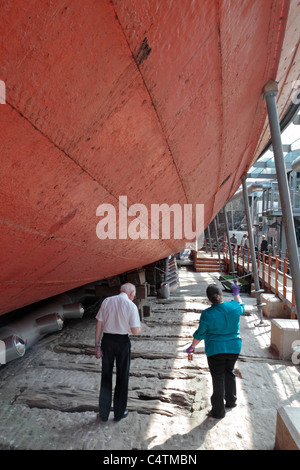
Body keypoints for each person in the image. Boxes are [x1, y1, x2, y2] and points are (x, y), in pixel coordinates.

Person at [186, 283, 245, 419]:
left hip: (215, 350)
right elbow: (241, 306)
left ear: (208, 298)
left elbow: (200, 334)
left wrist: (192, 346)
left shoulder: (207, 314)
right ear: (222, 294)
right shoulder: (233, 307)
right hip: (234, 347)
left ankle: (218, 412)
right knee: (229, 372)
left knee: (218, 377)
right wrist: (236, 293)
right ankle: (231, 401)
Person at [95, 282, 145, 422]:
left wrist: (97, 345)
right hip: (122, 342)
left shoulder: (107, 301)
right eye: (134, 295)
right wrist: (142, 327)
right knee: (122, 377)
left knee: (106, 376)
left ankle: (103, 413)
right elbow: (135, 331)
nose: (133, 297)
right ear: (130, 293)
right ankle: (119, 412)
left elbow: (98, 324)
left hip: (107, 341)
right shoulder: (131, 306)